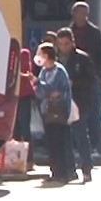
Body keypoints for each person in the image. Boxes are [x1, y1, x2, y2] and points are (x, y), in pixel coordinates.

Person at [55, 27, 98, 183]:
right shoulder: (56, 59)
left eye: (66, 43)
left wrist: (75, 83)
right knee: (64, 136)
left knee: (80, 136)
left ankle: (86, 168)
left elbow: (92, 80)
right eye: (60, 44)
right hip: (60, 102)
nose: (63, 47)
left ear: (72, 42)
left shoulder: (82, 58)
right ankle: (69, 170)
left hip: (78, 101)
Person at [66, 2, 101, 157]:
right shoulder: (68, 31)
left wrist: (96, 73)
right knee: (73, 113)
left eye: (84, 14)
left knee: (93, 112)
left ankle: (94, 145)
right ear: (74, 14)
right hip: (72, 79)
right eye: (78, 13)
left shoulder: (94, 33)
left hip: (90, 78)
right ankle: (75, 146)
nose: (81, 17)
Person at [34, 42, 75, 184]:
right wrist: (42, 88)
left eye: (41, 54)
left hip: (59, 111)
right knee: (50, 142)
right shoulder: (43, 72)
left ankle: (63, 173)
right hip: (46, 111)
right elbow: (42, 92)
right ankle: (54, 171)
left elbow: (60, 92)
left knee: (59, 142)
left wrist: (43, 87)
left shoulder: (60, 71)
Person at [13, 46, 36, 143]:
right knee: (14, 127)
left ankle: (28, 154)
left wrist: (15, 74)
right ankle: (16, 153)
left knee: (24, 126)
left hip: (24, 95)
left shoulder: (24, 53)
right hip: (12, 96)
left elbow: (27, 72)